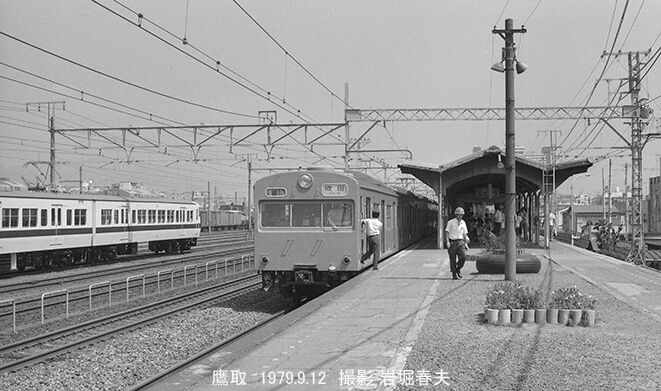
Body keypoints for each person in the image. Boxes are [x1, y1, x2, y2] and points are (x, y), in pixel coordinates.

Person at [445, 207, 470, 280]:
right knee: (452, 258)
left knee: (463, 257)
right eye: (458, 215)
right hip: (452, 242)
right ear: (456, 215)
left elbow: (464, 234)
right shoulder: (450, 222)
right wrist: (447, 242)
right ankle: (454, 274)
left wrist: (466, 244)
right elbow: (447, 232)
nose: (460, 216)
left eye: (461, 215)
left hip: (461, 242)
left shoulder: (463, 223)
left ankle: (458, 268)